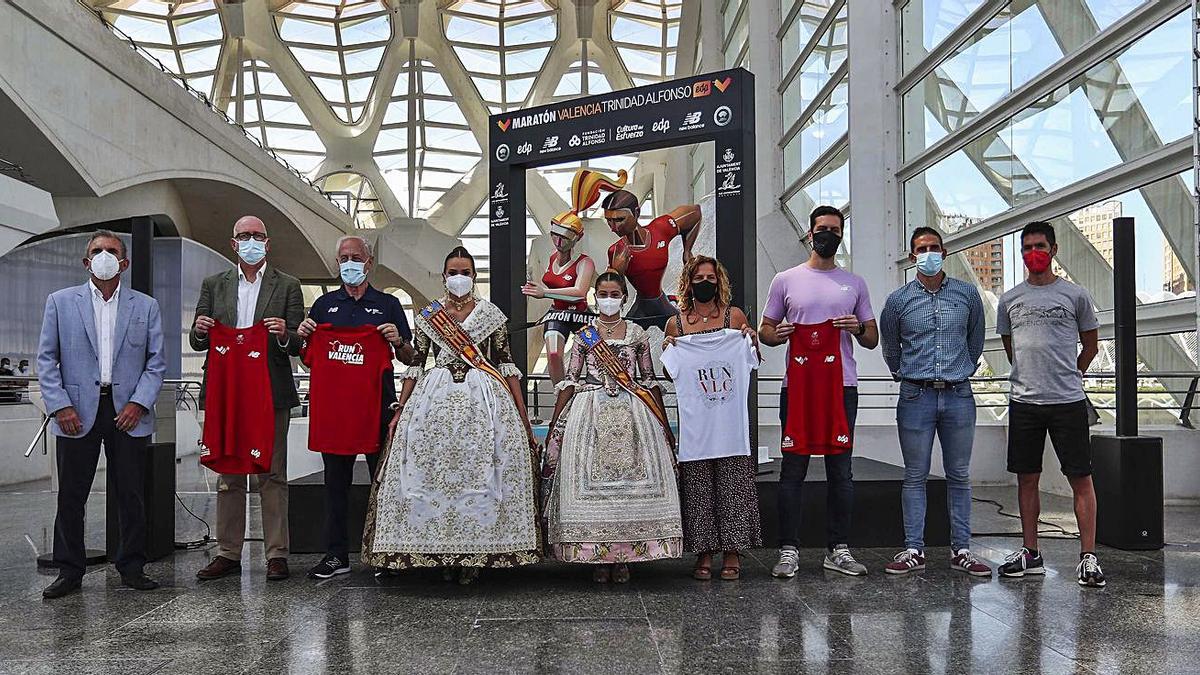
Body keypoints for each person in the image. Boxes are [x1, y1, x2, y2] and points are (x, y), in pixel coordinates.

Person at [362, 246, 540, 584]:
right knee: (432, 474)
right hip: (434, 402)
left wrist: (521, 413)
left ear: (474, 277)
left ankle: (475, 553)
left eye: (465, 272)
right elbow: (416, 363)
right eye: (453, 272)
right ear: (444, 277)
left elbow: (506, 365)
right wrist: (400, 409)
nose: (459, 278)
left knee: (482, 474)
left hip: (484, 400)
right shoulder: (431, 316)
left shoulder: (491, 315)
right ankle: (438, 551)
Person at [37, 230, 165, 598]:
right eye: (97, 251)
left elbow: (156, 362)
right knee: (72, 496)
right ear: (86, 261)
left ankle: (131, 565)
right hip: (75, 410)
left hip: (128, 409)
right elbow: (47, 358)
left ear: (124, 263)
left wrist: (139, 402)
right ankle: (69, 569)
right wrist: (59, 405)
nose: (104, 255)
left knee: (130, 493)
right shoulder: (60, 302)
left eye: (111, 251)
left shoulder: (146, 306)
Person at [759, 205, 877, 578]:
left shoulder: (854, 284)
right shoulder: (785, 280)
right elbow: (766, 330)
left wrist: (857, 328)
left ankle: (838, 547)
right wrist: (776, 336)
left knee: (840, 470)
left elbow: (873, 338)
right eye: (822, 228)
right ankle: (788, 549)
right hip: (797, 386)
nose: (828, 234)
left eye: (835, 229)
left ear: (841, 235)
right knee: (793, 468)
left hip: (842, 386)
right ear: (810, 234)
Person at [542, 270, 681, 583]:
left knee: (628, 490)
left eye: (614, 294)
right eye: (602, 294)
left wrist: (663, 422)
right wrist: (556, 423)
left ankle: (624, 557)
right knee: (591, 486)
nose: (608, 300)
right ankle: (596, 557)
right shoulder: (584, 336)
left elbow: (648, 380)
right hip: (588, 412)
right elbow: (571, 380)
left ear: (624, 297)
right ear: (595, 297)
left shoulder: (637, 334)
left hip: (633, 412)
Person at [191, 216, 304, 582]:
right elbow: (198, 339)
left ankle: (276, 553)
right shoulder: (213, 285)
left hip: (270, 391)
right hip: (226, 393)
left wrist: (285, 334)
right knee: (229, 474)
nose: (250, 241)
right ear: (233, 242)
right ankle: (228, 552)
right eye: (244, 235)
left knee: (274, 474)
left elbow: (299, 344)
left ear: (267, 244)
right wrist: (199, 330)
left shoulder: (288, 285)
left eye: (257, 235)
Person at [297, 235, 414, 579]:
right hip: (335, 413)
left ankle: (385, 553)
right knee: (335, 485)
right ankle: (336, 555)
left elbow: (410, 357)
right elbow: (309, 360)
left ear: (369, 262)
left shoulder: (389, 304)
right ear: (337, 263)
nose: (349, 263)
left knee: (384, 483)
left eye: (356, 257)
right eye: (343, 257)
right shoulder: (323, 307)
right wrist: (305, 336)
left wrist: (398, 341)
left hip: (378, 407)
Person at [996, 221, 1104, 588]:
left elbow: (1090, 345)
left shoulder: (1075, 295)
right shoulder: (1010, 299)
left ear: (1054, 249)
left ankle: (1088, 557)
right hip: (1024, 401)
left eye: (1039, 246)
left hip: (1067, 401)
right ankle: (1031, 553)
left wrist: (1070, 374)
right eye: (1026, 248)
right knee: (1027, 478)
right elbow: (1012, 349)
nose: (1032, 253)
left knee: (1081, 478)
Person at [879, 227, 991, 577]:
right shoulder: (898, 300)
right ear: (912, 257)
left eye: (934, 248)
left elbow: (976, 340)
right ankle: (914, 548)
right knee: (915, 475)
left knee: (959, 474)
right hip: (916, 395)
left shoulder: (967, 295)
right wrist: (907, 374)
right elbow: (891, 346)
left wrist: (964, 369)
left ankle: (962, 549)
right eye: (921, 249)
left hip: (958, 394)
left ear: (944, 252)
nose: (928, 254)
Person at [662, 256, 762, 581]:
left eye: (711, 277)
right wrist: (668, 349)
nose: (705, 282)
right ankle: (704, 551)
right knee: (699, 487)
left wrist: (752, 340)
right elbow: (670, 371)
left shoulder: (734, 318)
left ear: (719, 281)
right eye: (698, 277)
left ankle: (733, 551)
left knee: (733, 486)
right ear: (688, 283)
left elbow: (752, 359)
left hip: (730, 426)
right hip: (697, 429)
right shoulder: (676, 324)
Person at [522, 169, 621, 383]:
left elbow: (579, 293)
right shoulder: (550, 258)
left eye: (564, 236)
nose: (558, 241)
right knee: (554, 354)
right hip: (557, 314)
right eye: (555, 234)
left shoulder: (584, 263)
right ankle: (561, 392)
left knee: (599, 353)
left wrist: (544, 292)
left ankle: (598, 387)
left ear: (576, 238)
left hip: (581, 314)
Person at [603, 181, 701, 330]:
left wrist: (687, 251)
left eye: (619, 220)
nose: (613, 228)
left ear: (637, 213)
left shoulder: (660, 228)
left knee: (685, 338)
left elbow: (695, 213)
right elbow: (612, 298)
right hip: (641, 308)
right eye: (609, 221)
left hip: (662, 303)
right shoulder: (616, 251)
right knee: (623, 343)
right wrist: (618, 273)